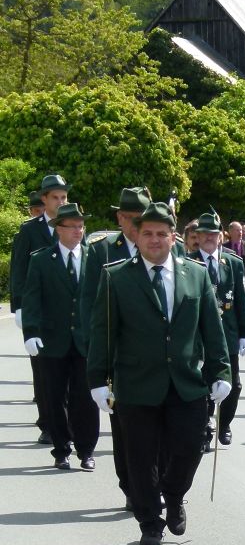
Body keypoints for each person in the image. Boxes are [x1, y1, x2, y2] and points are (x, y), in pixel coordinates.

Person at [87, 202, 231, 545]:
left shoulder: (195, 274)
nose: (155, 240)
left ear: (173, 237)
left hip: (185, 380)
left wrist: (220, 370)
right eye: (148, 233)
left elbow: (211, 328)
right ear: (137, 237)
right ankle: (150, 522)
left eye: (162, 234)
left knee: (190, 445)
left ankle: (174, 493)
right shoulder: (117, 276)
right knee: (140, 457)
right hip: (136, 383)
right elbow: (103, 331)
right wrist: (97, 379)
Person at [79, 185, 152, 505]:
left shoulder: (166, 247)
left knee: (162, 429)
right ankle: (132, 486)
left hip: (159, 356)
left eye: (142, 217)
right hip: (120, 359)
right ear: (120, 218)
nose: (137, 224)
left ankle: (155, 486)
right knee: (125, 430)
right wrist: (95, 356)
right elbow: (88, 306)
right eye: (131, 217)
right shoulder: (102, 251)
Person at [21, 202, 99, 472]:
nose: (78, 231)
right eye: (73, 226)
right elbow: (32, 297)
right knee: (54, 398)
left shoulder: (93, 257)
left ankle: (86, 451)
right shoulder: (41, 260)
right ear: (59, 229)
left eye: (81, 226)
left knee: (86, 398)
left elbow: (102, 300)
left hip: (86, 340)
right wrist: (31, 331)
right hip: (52, 340)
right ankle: (61, 449)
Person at [10, 173, 70, 443]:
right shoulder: (29, 230)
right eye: (55, 197)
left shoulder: (72, 226)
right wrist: (20, 307)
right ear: (44, 199)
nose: (60, 202)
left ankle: (67, 422)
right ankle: (47, 422)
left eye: (64, 197)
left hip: (67, 312)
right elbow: (19, 270)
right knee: (44, 371)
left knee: (71, 369)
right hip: (40, 312)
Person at [187, 209, 245, 448]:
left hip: (227, 334)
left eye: (213, 234)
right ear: (197, 235)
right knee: (202, 385)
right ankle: (204, 427)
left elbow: (241, 300)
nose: (209, 238)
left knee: (233, 384)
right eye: (204, 233)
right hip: (198, 336)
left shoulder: (233, 263)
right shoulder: (188, 262)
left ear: (221, 236)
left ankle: (224, 424)